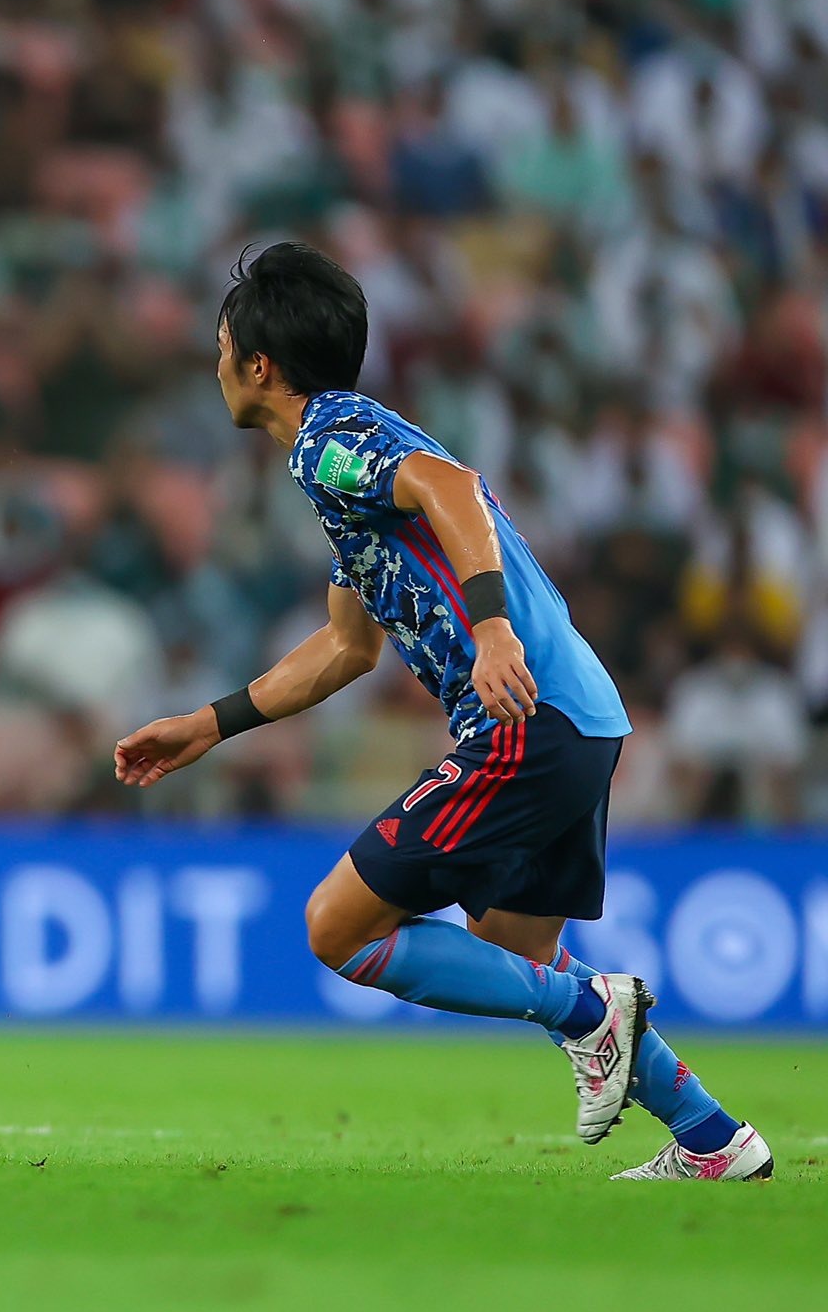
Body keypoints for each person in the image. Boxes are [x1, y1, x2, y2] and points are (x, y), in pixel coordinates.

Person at [114, 243, 771, 1182]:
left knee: (338, 928)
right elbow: (347, 647)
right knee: (515, 952)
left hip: (524, 720)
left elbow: (450, 487)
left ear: (258, 365)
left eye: (221, 346)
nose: (214, 362)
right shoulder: (349, 465)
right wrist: (209, 724)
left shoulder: (330, 441)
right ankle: (713, 1138)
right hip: (577, 718)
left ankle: (594, 1015)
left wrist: (492, 627)